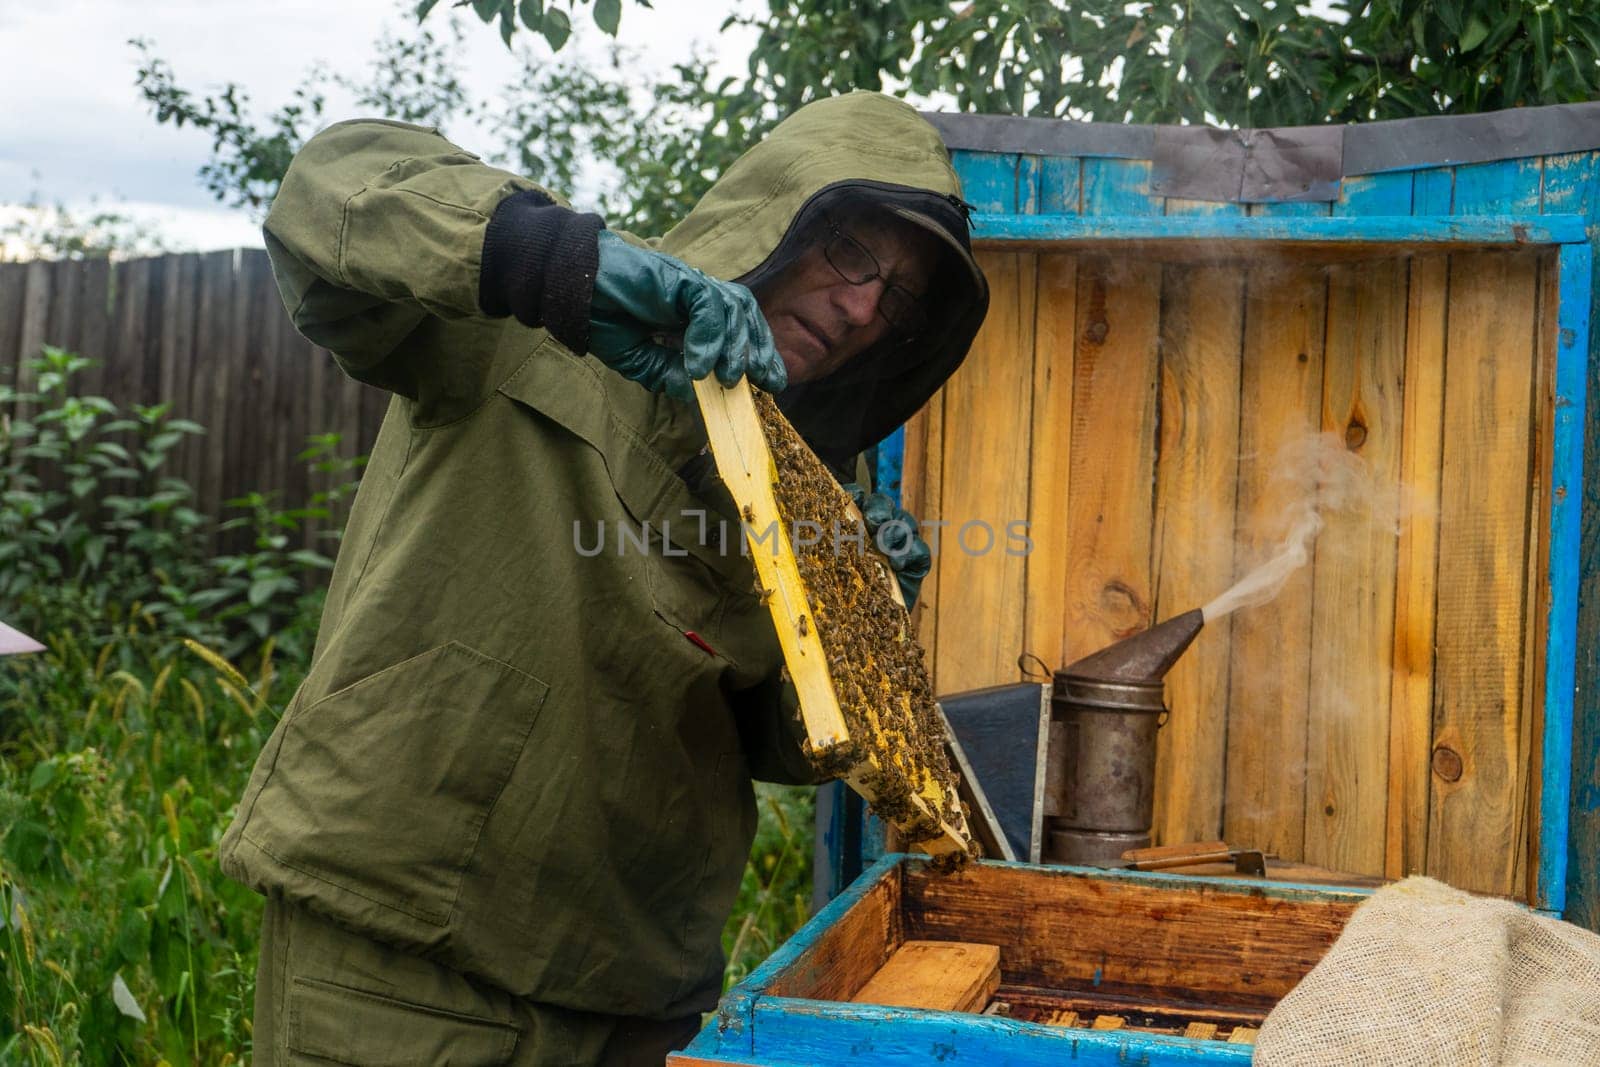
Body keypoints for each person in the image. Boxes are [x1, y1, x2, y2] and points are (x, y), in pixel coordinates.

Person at [218, 90, 989, 1065]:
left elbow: (781, 744)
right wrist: (553, 263)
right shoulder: (532, 318)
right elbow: (328, 190)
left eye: (902, 299)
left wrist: (862, 628)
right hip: (404, 964)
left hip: (636, 997)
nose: (863, 308)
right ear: (777, 211)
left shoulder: (807, 489)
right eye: (850, 254)